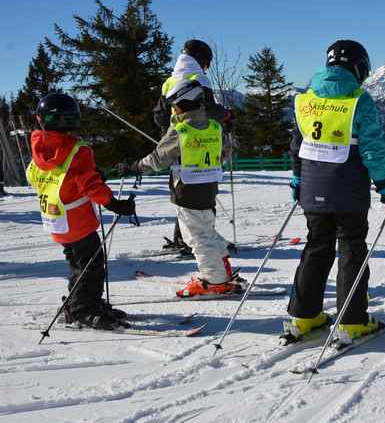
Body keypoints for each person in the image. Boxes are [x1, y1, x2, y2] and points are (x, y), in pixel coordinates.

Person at [285, 39, 385, 344]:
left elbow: (297, 146)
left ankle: (304, 315)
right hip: (348, 189)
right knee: (351, 247)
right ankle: (352, 321)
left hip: (312, 187)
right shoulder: (359, 100)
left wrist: (297, 179)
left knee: (316, 246)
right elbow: (373, 150)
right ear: (359, 67)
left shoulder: (305, 99)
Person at [27, 92, 136, 329]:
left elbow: (34, 176)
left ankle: (84, 301)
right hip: (77, 221)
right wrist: (115, 204)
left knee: (79, 262)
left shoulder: (39, 148)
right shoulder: (77, 150)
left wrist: (80, 181)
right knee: (91, 266)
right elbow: (91, 186)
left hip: (55, 219)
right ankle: (82, 310)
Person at [124, 79, 241, 297]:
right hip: (209, 187)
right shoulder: (214, 127)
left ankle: (213, 280)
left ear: (183, 104)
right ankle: (222, 267)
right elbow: (225, 153)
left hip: (187, 190)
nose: (172, 109)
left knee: (195, 236)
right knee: (206, 229)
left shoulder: (180, 130)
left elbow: (158, 159)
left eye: (173, 105)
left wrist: (135, 167)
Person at [152, 39, 233, 255]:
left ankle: (183, 238)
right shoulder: (199, 78)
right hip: (201, 144)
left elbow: (159, 116)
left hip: (177, 145)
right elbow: (208, 111)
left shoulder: (169, 81)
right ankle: (204, 240)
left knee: (182, 195)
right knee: (203, 194)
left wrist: (172, 131)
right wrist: (226, 115)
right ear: (202, 59)